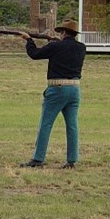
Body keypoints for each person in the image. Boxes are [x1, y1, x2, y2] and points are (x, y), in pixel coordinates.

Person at [18, 19, 86, 169]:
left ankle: (38, 159)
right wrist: (53, 43)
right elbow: (63, 50)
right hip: (74, 88)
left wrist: (29, 40)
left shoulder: (56, 46)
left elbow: (34, 54)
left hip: (57, 88)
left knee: (45, 124)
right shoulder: (81, 47)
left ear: (63, 32)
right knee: (72, 125)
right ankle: (72, 160)